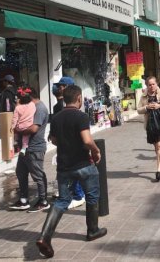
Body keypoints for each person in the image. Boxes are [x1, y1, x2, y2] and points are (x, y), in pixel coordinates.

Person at [36, 85, 106, 258]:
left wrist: (66, 144)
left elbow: (53, 139)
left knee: (62, 200)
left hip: (64, 167)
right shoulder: (81, 116)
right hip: (83, 165)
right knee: (92, 195)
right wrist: (96, 151)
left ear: (64, 98)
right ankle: (93, 230)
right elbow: (87, 140)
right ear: (79, 98)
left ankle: (45, 237)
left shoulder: (57, 117)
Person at [9, 87, 51, 212]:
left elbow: (33, 129)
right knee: (21, 172)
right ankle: (23, 200)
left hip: (35, 148)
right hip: (25, 148)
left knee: (38, 175)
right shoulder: (31, 107)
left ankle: (43, 201)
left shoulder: (39, 108)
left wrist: (17, 130)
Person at [51, 77, 85, 209]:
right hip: (64, 144)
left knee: (75, 170)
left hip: (72, 144)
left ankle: (78, 195)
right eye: (59, 86)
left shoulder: (73, 108)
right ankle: (70, 193)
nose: (60, 88)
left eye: (63, 86)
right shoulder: (59, 105)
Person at [138, 77, 160, 181]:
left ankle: (158, 170)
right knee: (156, 147)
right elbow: (139, 110)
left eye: (153, 84)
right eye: (149, 85)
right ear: (146, 85)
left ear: (156, 83)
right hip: (150, 125)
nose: (152, 86)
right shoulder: (144, 95)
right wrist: (146, 107)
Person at [11, 87, 36, 155]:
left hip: (20, 127)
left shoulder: (17, 108)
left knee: (16, 133)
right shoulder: (32, 105)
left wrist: (12, 127)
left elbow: (14, 119)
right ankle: (24, 148)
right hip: (28, 126)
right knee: (25, 138)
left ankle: (16, 143)